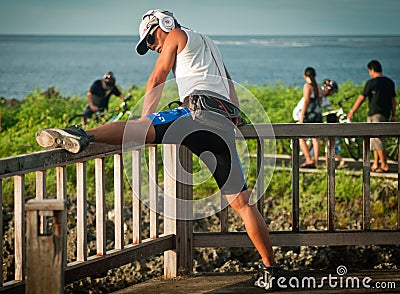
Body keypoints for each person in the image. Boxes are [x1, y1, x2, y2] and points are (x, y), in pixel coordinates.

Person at [36, 9, 278, 288]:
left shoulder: (176, 34)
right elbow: (229, 85)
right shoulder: (209, 43)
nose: (153, 47)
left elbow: (158, 77)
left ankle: (81, 134)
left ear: (162, 25)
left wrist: (145, 116)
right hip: (222, 125)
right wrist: (234, 118)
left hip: (196, 114)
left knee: (137, 130)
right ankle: (271, 270)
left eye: (151, 41)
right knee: (243, 204)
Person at [347, 60, 397, 173]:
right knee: (374, 139)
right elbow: (393, 100)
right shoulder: (390, 82)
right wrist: (394, 115)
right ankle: (375, 163)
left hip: (375, 114)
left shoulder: (371, 83)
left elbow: (361, 98)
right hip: (385, 113)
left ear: (372, 70)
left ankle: (384, 165)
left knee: (377, 139)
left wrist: (352, 111)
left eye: (369, 71)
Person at [298, 67, 322, 168]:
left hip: (310, 113)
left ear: (305, 76)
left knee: (300, 136)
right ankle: (316, 162)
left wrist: (302, 116)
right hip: (318, 113)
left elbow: (306, 101)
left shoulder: (307, 86)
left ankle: (308, 158)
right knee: (316, 139)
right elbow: (320, 100)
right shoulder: (318, 86)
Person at [321, 79, 347, 168]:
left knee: (328, 147)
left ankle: (336, 162)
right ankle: (331, 164)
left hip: (325, 124)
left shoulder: (325, 99)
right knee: (328, 146)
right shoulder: (321, 97)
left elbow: (329, 109)